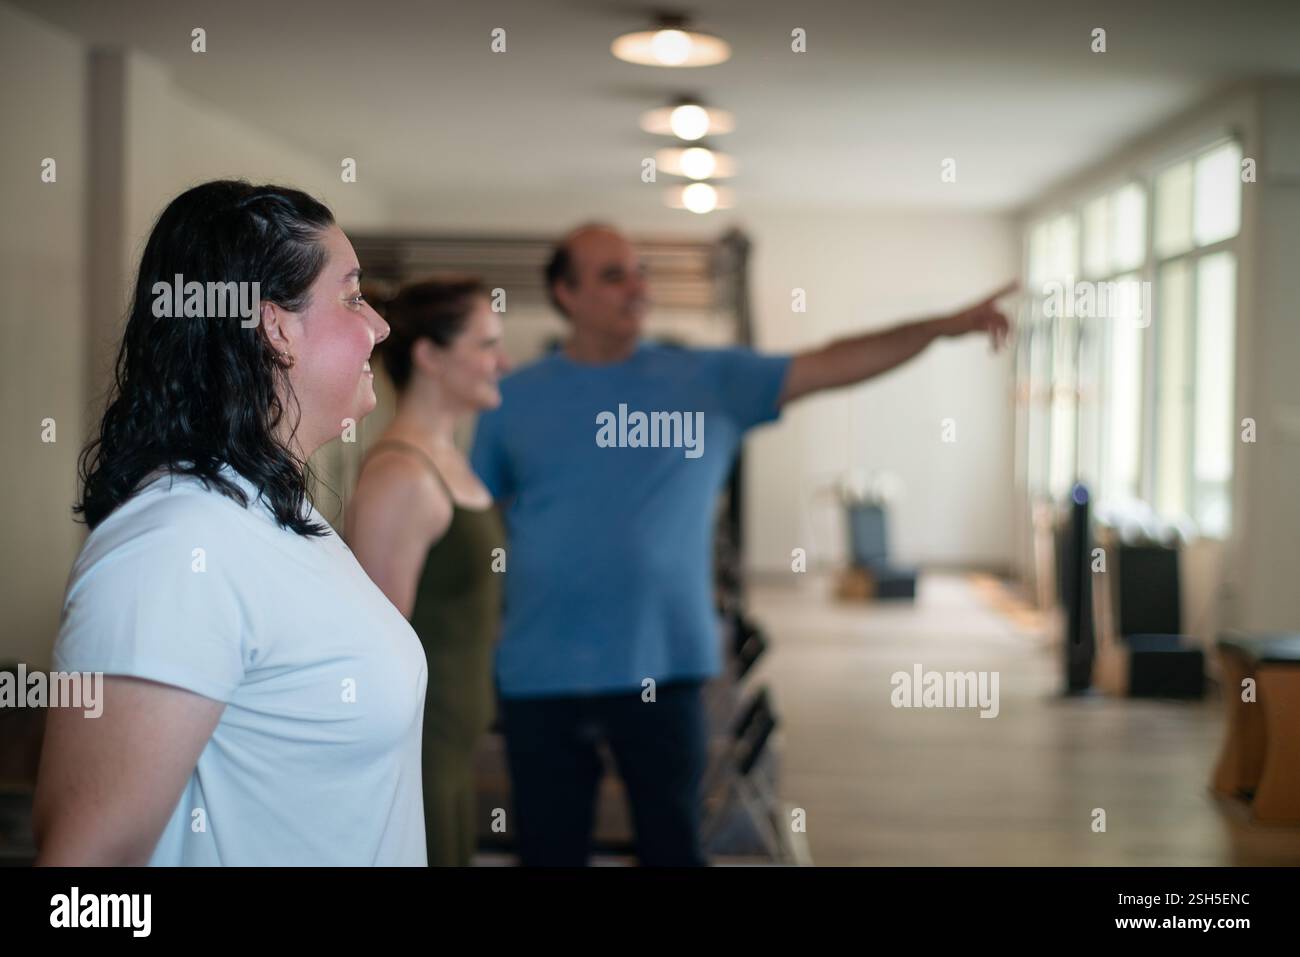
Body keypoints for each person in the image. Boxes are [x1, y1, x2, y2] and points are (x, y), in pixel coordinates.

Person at [471, 223, 1014, 866]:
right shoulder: (511, 397)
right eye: (613, 275)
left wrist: (938, 328)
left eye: (640, 270)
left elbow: (835, 360)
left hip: (664, 665)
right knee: (549, 854)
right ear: (566, 293)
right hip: (543, 666)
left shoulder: (708, 379)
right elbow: (483, 515)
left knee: (672, 848)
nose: (638, 286)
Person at [33, 180, 426, 866]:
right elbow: (85, 871)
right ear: (276, 325)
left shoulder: (278, 512)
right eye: (353, 296)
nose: (380, 326)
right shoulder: (182, 541)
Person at [346, 277, 509, 866]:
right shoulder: (402, 475)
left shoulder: (447, 459)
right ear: (430, 355)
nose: (502, 361)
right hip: (420, 753)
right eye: (487, 344)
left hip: (454, 747)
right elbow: (374, 651)